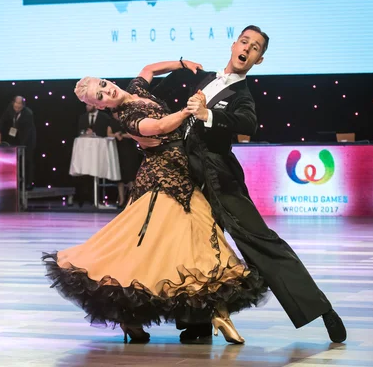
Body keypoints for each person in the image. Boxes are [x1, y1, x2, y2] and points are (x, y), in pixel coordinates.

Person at [43, 61, 268, 344]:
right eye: (99, 96)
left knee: (195, 236)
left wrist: (182, 62)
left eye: (103, 84)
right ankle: (204, 313)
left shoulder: (134, 89)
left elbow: (148, 69)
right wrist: (189, 111)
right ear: (99, 107)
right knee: (156, 245)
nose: (106, 91)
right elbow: (159, 126)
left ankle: (204, 313)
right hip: (162, 177)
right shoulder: (125, 116)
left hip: (183, 170)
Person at [160, 25, 346, 343]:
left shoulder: (242, 95)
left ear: (258, 60)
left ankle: (320, 308)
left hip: (221, 180)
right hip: (192, 179)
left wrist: (209, 114)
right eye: (245, 41)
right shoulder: (206, 79)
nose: (248, 48)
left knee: (261, 243)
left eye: (256, 47)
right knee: (196, 249)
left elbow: (248, 123)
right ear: (234, 45)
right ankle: (200, 322)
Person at [0, 96, 37, 190]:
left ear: (23, 105)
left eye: (20, 104)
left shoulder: (28, 114)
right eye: (16, 104)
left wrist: (21, 145)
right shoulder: (9, 110)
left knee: (27, 161)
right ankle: (14, 182)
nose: (17, 106)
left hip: (28, 140)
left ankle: (28, 184)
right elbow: (2, 121)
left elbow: (27, 132)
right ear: (13, 103)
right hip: (15, 138)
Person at [107, 115, 142, 207]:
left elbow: (134, 134)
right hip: (118, 150)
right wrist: (115, 135)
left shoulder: (128, 120)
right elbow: (108, 133)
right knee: (120, 177)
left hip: (129, 150)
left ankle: (132, 200)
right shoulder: (112, 121)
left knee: (131, 176)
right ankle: (121, 200)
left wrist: (122, 135)